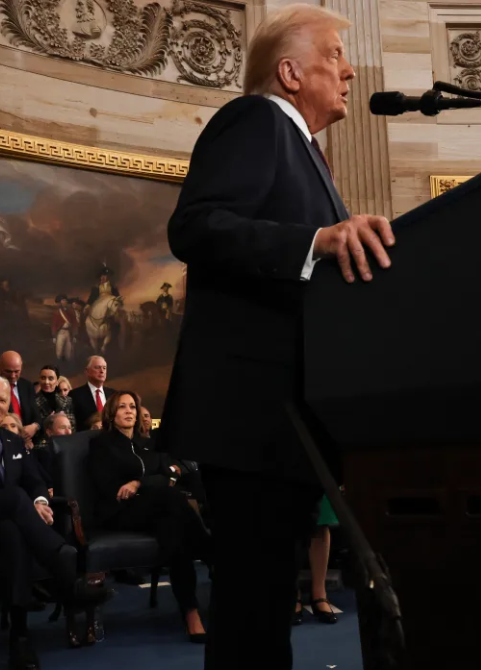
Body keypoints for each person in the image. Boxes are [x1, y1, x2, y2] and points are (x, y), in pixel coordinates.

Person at [162, 5, 394, 667]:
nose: (348, 70)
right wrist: (317, 240)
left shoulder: (306, 151)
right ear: (290, 73)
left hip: (284, 417)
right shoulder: (258, 119)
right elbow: (198, 227)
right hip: (252, 412)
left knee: (265, 604)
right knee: (252, 604)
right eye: (332, 58)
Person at [0, 375, 112, 669]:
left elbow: (36, 481)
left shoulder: (13, 441)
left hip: (4, 524)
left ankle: (20, 637)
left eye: (2, 400)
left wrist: (40, 501)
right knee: (15, 498)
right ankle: (65, 569)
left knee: (13, 532)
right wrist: (17, 502)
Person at [88, 391, 209, 642]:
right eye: (122, 407)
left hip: (155, 510)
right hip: (119, 511)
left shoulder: (147, 442)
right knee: (172, 499)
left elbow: (168, 474)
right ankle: (210, 553)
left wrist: (138, 483)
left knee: (173, 531)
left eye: (133, 406)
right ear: (111, 413)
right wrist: (143, 486)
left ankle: (191, 610)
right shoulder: (101, 444)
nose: (129, 411)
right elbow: (108, 487)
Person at [0, 351, 39, 440]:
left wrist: (34, 426)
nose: (13, 376)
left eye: (16, 371)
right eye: (8, 371)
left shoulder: (27, 386)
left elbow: (36, 414)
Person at [35, 365, 75, 446]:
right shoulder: (32, 401)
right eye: (43, 378)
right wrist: (47, 421)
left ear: (57, 382)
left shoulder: (67, 401)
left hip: (65, 444)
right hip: (42, 446)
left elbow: (72, 426)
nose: (46, 382)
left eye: (51, 378)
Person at [70, 356, 113, 430]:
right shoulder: (75, 395)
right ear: (87, 371)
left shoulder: (113, 394)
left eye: (104, 368)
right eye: (97, 367)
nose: (102, 371)